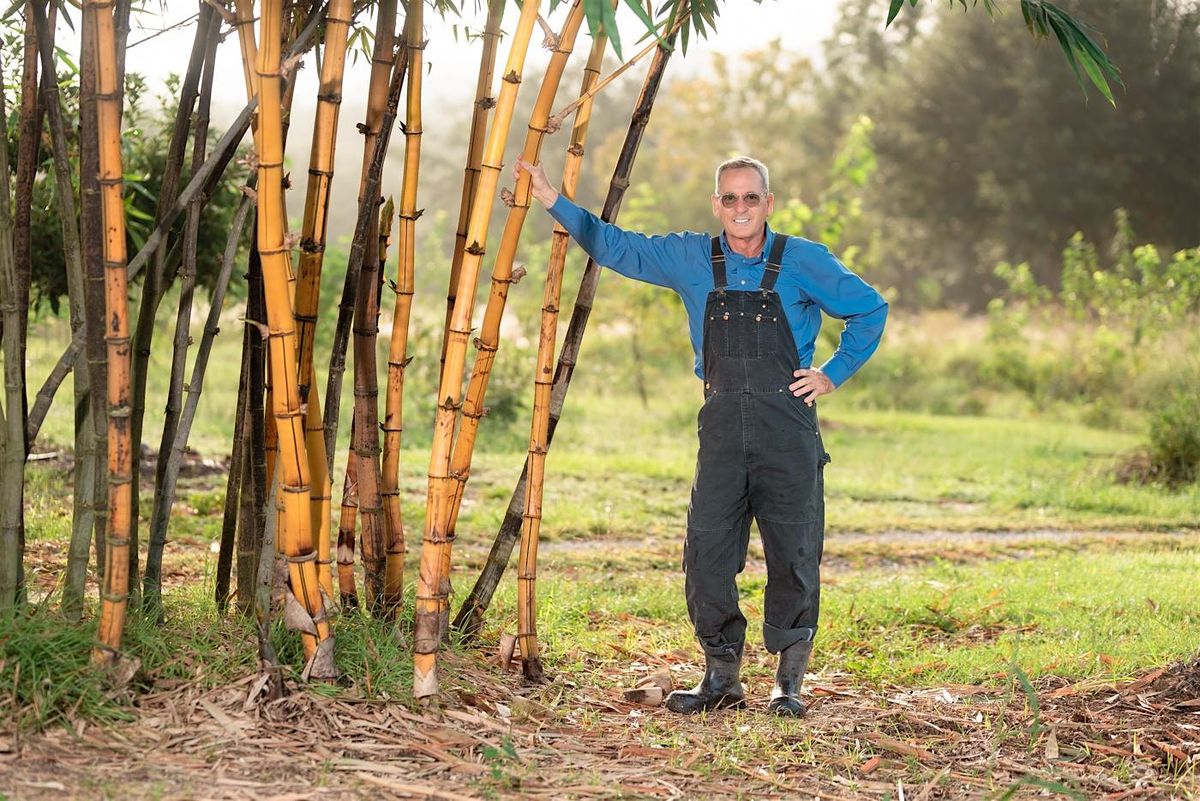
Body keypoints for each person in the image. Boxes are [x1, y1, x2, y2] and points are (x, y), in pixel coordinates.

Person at [515, 155, 888, 716]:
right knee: (707, 550)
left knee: (794, 550)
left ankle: (789, 682)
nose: (741, 208)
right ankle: (722, 678)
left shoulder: (804, 260)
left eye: (752, 198)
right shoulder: (690, 257)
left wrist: (831, 374)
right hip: (718, 426)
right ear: (717, 204)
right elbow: (617, 247)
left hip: (787, 425)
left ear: (769, 203)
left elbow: (870, 310)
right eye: (730, 198)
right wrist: (551, 198)